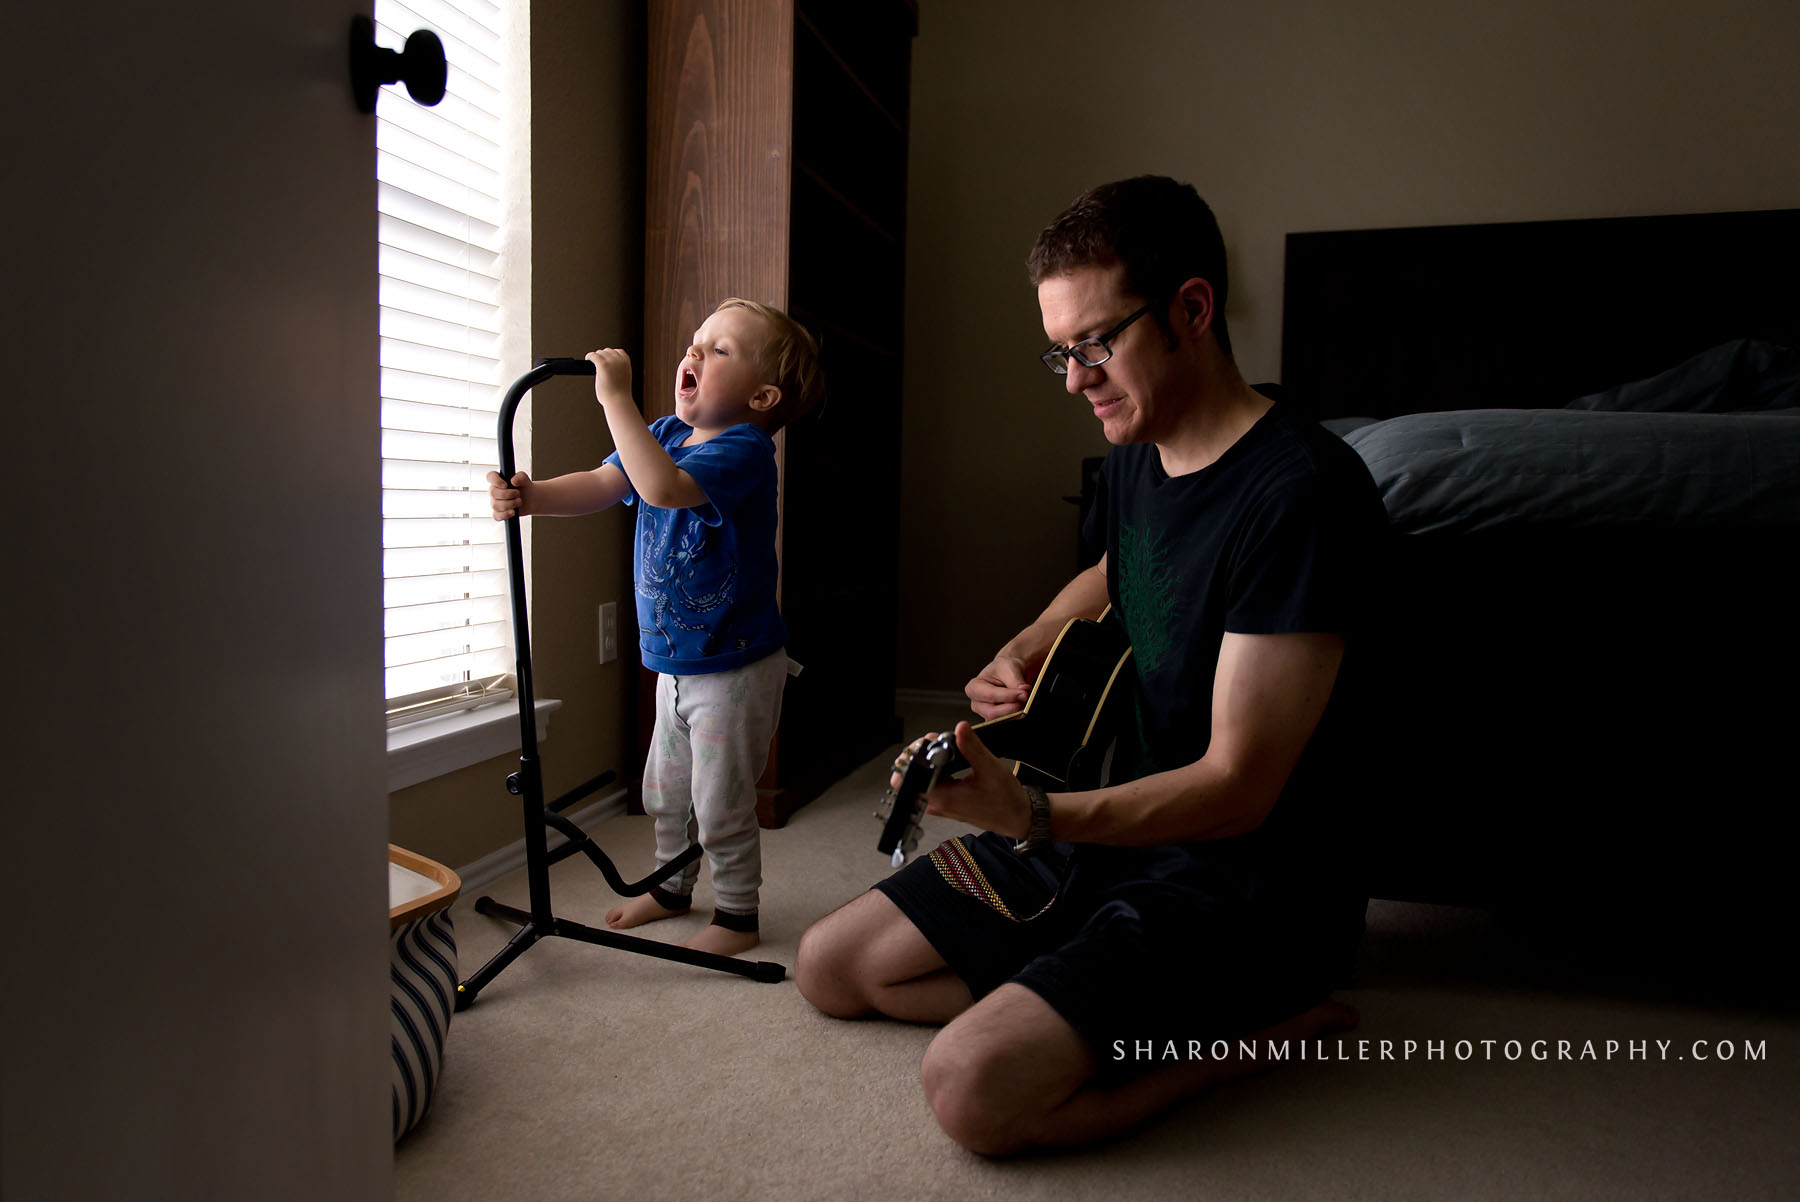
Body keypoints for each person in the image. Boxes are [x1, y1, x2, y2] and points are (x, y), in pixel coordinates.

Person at [794, 176, 1387, 1153]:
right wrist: (1024, 644)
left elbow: (1240, 789)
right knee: (834, 964)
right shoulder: (1135, 456)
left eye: (1096, 344)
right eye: (1059, 353)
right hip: (1113, 826)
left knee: (972, 1088)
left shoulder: (1305, 495)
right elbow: (1115, 571)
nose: (1075, 380)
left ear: (1192, 310)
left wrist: (1030, 813)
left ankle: (1254, 1037)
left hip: (1240, 880)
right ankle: (1076, 977)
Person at [488, 298, 824, 957]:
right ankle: (672, 887)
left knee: (721, 798)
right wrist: (535, 498)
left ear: (762, 395)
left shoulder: (744, 450)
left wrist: (616, 400)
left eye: (719, 349)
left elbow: (662, 488)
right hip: (676, 662)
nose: (693, 353)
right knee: (663, 792)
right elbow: (605, 482)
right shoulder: (665, 434)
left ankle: (736, 916)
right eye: (695, 341)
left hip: (735, 666)